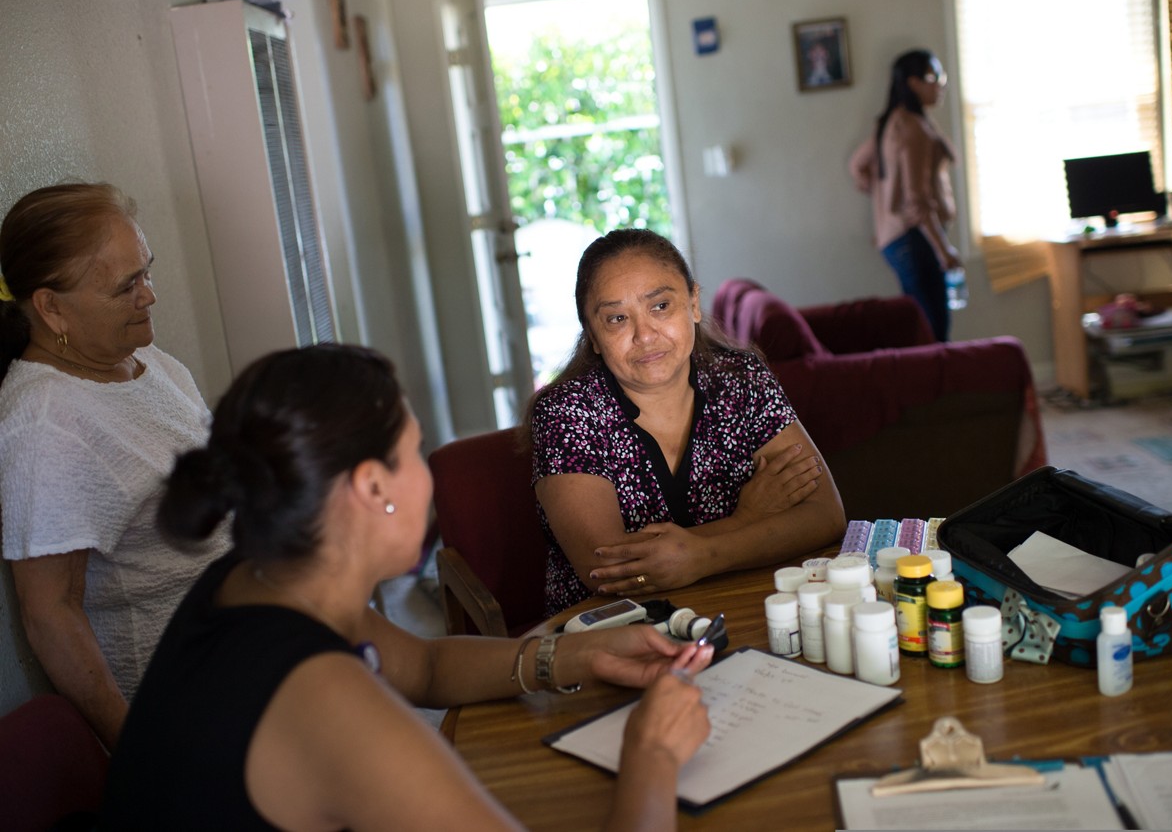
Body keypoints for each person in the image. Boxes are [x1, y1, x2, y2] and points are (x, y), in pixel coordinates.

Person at [99, 344, 712, 831]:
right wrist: (654, 753)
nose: (428, 476)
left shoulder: (257, 579)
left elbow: (421, 665)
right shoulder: (328, 702)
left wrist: (574, 655)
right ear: (372, 488)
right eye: (415, 452)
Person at [0, 182, 225, 749]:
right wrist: (138, 755)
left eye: (146, 271)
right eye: (127, 285)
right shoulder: (46, 422)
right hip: (187, 702)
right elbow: (51, 615)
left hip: (253, 645)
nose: (148, 296)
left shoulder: (149, 362)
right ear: (51, 307)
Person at [528, 228, 846, 617]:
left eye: (660, 306)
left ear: (693, 304)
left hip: (743, 608)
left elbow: (825, 514)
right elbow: (609, 571)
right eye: (616, 319)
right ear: (593, 335)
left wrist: (703, 555)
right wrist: (746, 521)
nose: (645, 335)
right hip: (611, 636)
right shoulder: (566, 412)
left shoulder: (741, 378)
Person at [850, 49, 961, 342]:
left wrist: (885, 200)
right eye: (932, 77)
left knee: (923, 329)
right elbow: (917, 200)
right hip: (914, 241)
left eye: (941, 77)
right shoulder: (913, 128)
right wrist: (943, 249)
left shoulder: (891, 122)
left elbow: (857, 166)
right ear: (912, 82)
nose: (940, 84)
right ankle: (938, 388)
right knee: (935, 333)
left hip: (896, 241)